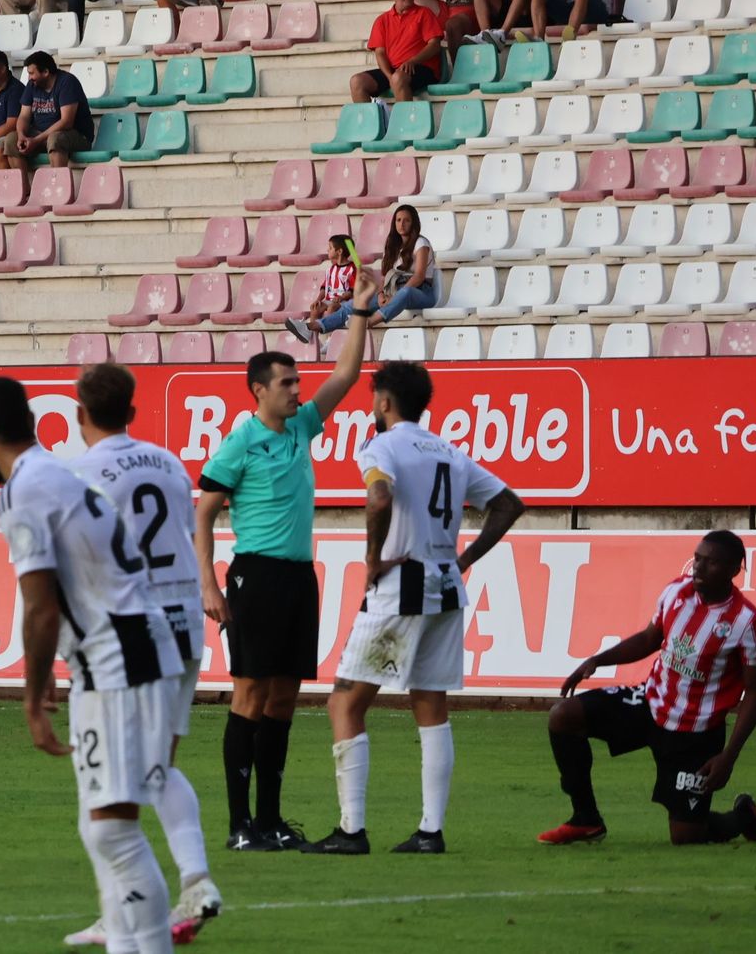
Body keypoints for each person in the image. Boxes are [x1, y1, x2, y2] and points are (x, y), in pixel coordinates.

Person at [0, 375, 186, 954]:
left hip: (121, 653)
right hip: (114, 652)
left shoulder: (21, 491)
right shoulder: (57, 473)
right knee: (100, 826)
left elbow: (39, 610)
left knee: (114, 830)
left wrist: (33, 697)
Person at [302, 361, 525, 855]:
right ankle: (429, 831)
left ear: (384, 401)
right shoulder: (449, 451)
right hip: (446, 587)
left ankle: (352, 830)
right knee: (430, 704)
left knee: (344, 701)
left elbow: (379, 498)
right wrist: (463, 557)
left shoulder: (381, 445)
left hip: (401, 586)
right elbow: (509, 504)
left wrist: (372, 558)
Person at [193, 272, 378, 853]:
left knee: (284, 698)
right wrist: (210, 586)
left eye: (298, 382)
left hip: (299, 577)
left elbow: (346, 376)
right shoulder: (238, 443)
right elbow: (202, 515)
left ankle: (270, 820)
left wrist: (360, 314)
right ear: (259, 391)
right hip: (255, 575)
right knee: (248, 697)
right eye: (288, 383)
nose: (299, 390)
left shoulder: (300, 425)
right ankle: (238, 825)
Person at [68, 363, 225, 943]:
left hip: (139, 630)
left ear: (79, 411)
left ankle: (136, 907)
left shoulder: (83, 472)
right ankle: (189, 883)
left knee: (125, 776)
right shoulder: (168, 462)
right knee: (156, 767)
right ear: (132, 411)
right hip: (186, 621)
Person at [541, 530, 756, 847]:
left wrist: (728, 756)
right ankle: (585, 819)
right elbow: (650, 638)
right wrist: (597, 660)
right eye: (698, 559)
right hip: (650, 703)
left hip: (695, 734)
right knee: (563, 716)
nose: (699, 568)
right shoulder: (677, 591)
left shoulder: (748, 623)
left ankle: (740, 818)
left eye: (711, 563)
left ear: (734, 570)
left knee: (686, 836)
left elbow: (755, 694)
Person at [290, 204, 434, 340]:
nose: (402, 224)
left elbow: (419, 276)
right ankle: (309, 327)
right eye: (398, 220)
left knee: (405, 293)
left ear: (414, 223)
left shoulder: (421, 243)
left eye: (407, 220)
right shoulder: (392, 246)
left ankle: (368, 322)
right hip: (393, 290)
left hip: (420, 291)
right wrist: (380, 294)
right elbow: (385, 277)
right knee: (355, 304)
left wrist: (395, 297)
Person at [350, 0, 442, 104]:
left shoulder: (424, 13)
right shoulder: (382, 20)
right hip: (395, 70)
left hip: (422, 67)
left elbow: (435, 45)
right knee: (357, 82)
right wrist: (389, 76)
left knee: (398, 77)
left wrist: (413, 61)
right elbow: (380, 52)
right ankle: (369, 124)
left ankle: (404, 124)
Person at [0, 50, 93, 172]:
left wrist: (36, 140)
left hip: (76, 135)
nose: (29, 77)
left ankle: (58, 186)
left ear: (46, 72)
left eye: (32, 73)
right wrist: (21, 135)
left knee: (55, 139)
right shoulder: (32, 85)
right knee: (12, 140)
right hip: (41, 135)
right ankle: (25, 189)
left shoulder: (67, 82)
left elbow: (66, 122)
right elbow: (24, 116)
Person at [309, 234, 356, 323]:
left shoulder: (351, 269)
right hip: (329, 300)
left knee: (331, 308)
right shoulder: (331, 269)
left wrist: (341, 297)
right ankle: (311, 334)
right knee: (315, 309)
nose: (327, 250)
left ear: (339, 251)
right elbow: (324, 288)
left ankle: (331, 336)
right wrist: (318, 300)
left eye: (330, 248)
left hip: (344, 302)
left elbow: (352, 290)